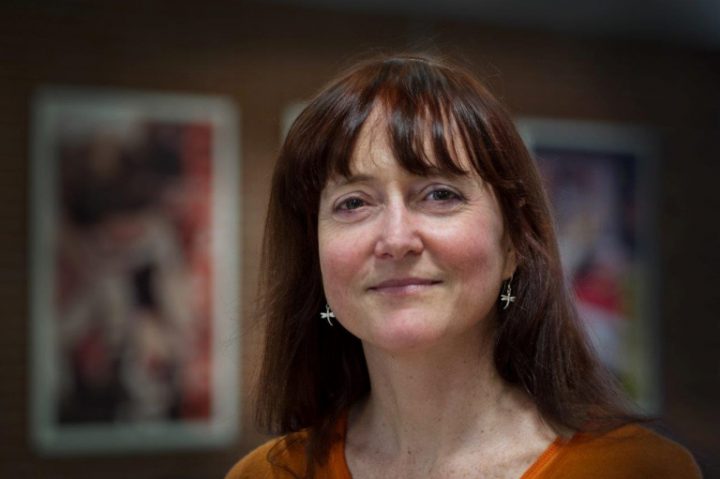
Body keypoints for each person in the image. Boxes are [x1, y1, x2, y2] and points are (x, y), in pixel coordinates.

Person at [226, 54, 701, 478]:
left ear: (513, 244)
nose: (396, 239)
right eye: (353, 203)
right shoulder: (266, 476)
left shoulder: (638, 471)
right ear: (315, 255)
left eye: (439, 194)